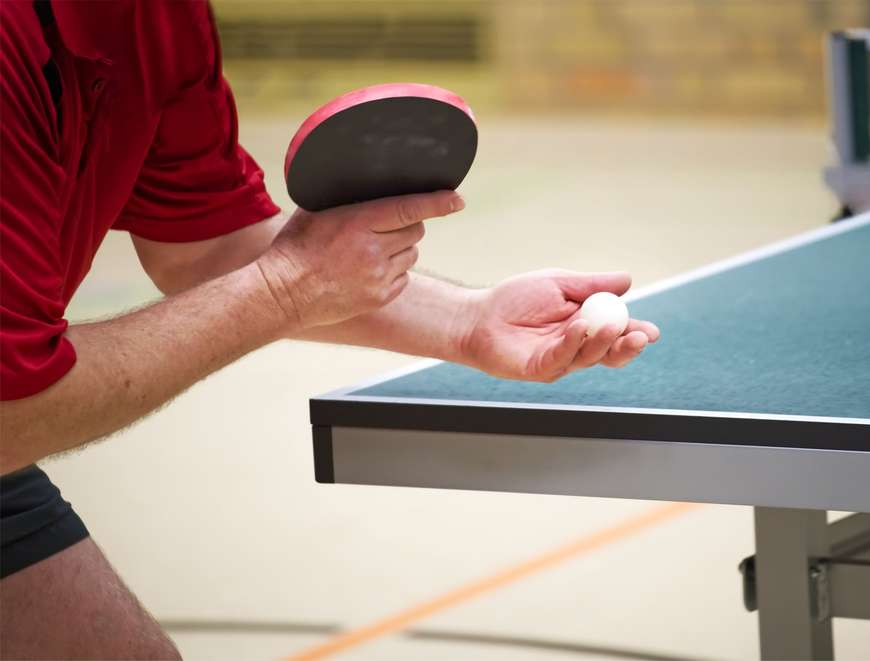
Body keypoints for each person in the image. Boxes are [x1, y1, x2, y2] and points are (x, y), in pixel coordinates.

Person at [0, 2, 659, 658]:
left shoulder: (163, 17)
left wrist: (467, 322)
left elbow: (204, 245)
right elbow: (13, 412)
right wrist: (285, 288)